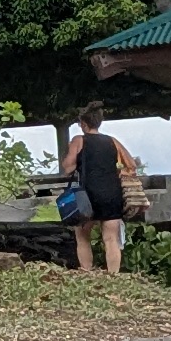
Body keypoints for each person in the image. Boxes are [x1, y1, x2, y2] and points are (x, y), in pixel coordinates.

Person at [61, 109, 137, 273]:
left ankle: (87, 273)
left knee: (83, 237)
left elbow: (68, 167)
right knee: (111, 239)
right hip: (111, 193)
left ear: (83, 124)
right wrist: (117, 172)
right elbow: (131, 166)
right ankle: (113, 276)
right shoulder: (112, 141)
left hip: (87, 195)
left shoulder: (78, 140)